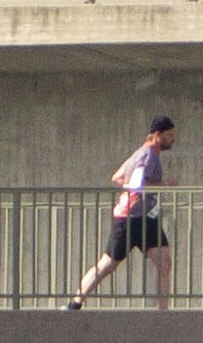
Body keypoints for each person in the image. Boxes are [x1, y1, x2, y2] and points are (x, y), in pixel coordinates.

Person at [70, 116, 180, 310]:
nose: (173, 139)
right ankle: (75, 302)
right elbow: (137, 186)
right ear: (157, 135)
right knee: (108, 264)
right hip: (130, 218)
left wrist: (134, 187)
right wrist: (165, 185)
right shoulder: (147, 155)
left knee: (165, 262)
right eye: (169, 135)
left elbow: (118, 177)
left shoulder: (139, 154)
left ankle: (163, 311)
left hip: (147, 217)